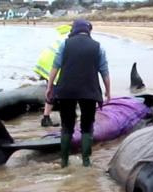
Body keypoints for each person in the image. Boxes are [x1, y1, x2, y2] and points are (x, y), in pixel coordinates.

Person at [45, 19, 111, 168]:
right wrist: (108, 91)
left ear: (74, 29)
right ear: (88, 31)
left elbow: (55, 66)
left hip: (66, 91)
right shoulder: (98, 47)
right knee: (87, 126)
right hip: (90, 91)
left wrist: (50, 87)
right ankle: (86, 162)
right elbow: (104, 71)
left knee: (67, 126)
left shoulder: (65, 44)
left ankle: (64, 162)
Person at [34, 24, 72, 127]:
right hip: (51, 65)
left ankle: (46, 118)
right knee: (59, 91)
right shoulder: (69, 40)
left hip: (44, 63)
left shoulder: (61, 37)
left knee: (51, 91)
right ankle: (66, 118)